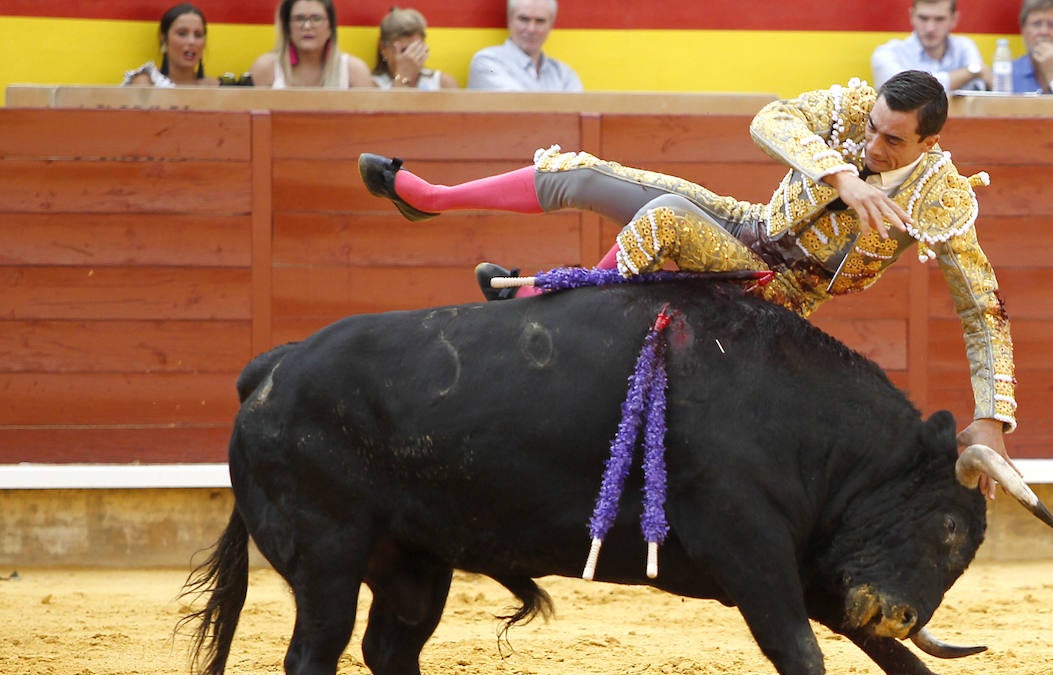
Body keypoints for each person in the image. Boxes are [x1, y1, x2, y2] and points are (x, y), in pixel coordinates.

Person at [358, 71, 1019, 494]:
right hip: (751, 227)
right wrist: (840, 174)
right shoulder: (850, 110)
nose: (873, 143)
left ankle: (534, 299)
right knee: (590, 173)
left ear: (928, 144)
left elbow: (982, 309)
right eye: (873, 128)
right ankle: (435, 198)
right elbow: (770, 120)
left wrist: (991, 420)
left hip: (778, 291)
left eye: (892, 141)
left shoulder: (942, 200)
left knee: (666, 218)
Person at [248, 0, 371, 89]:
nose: (307, 26)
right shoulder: (265, 68)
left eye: (316, 18)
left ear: (330, 27)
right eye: (299, 19)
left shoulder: (354, 72)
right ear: (287, 28)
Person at [872, 0, 986, 93]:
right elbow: (907, 92)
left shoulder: (965, 47)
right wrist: (972, 71)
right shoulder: (886, 53)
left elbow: (982, 91)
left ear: (954, 19)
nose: (930, 28)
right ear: (912, 16)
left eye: (939, 19)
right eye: (923, 18)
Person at [467, 0, 582, 91]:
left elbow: (578, 113)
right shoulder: (487, 64)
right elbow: (517, 107)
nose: (531, 29)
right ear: (510, 20)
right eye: (524, 19)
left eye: (540, 21)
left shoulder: (564, 75)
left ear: (551, 25)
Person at [122, 4, 218, 87]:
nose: (192, 41)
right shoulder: (147, 83)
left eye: (198, 35)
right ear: (164, 39)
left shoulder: (217, 88)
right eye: (182, 33)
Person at [371, 7, 458, 90]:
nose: (411, 57)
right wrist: (402, 77)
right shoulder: (372, 85)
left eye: (416, 49)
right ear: (383, 49)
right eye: (404, 50)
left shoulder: (442, 83)